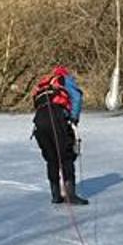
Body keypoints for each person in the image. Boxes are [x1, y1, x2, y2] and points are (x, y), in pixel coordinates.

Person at [32, 65, 88, 205]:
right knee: (66, 155)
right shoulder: (64, 79)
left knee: (51, 157)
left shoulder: (43, 84)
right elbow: (77, 96)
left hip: (39, 120)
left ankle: (56, 195)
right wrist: (74, 118)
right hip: (56, 116)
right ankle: (71, 195)